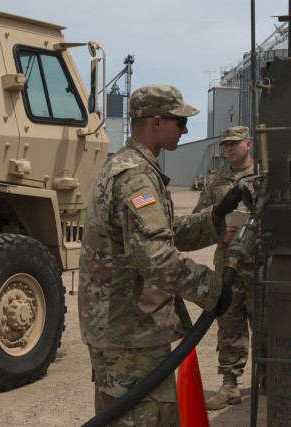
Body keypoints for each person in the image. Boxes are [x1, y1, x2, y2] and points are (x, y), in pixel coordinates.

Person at [78, 84, 242, 426]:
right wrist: (213, 290)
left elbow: (165, 231)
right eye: (179, 122)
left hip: (124, 329)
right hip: (129, 332)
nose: (185, 130)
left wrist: (215, 215)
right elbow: (153, 255)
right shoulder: (136, 176)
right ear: (156, 121)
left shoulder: (132, 167)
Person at [194, 126, 265, 410]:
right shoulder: (215, 182)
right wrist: (218, 232)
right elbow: (200, 217)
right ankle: (230, 384)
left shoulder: (263, 176)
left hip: (260, 262)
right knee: (229, 324)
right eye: (225, 145)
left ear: (249, 144)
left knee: (266, 322)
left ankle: (270, 375)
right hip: (228, 266)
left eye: (234, 143)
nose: (229, 148)